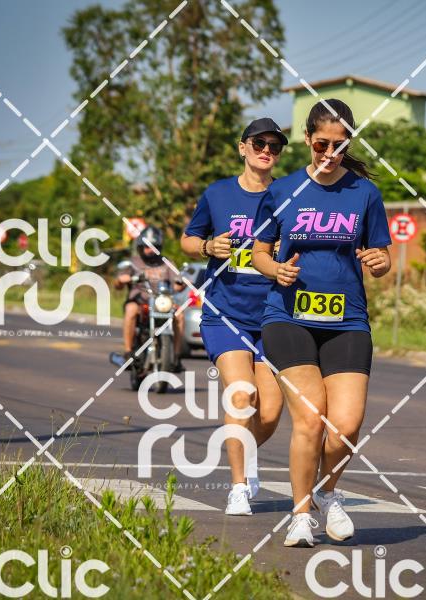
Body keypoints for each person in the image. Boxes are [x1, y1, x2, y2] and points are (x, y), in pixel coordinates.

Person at [251, 99, 392, 547]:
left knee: (346, 425)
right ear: (308, 139)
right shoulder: (282, 191)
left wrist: (380, 262)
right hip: (287, 317)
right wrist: (275, 270)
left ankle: (328, 493)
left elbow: (382, 255)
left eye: (339, 145)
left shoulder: (365, 194)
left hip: (347, 320)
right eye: (321, 144)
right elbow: (258, 253)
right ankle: (299, 516)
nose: (330, 153)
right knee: (311, 418)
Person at [180, 118, 288, 516]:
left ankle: (246, 455)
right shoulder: (218, 193)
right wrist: (208, 247)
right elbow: (188, 239)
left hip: (275, 314)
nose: (267, 150)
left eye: (274, 146)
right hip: (225, 313)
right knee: (243, 395)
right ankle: (238, 487)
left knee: (270, 412)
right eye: (259, 143)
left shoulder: (289, 195)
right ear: (243, 148)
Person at [114, 225, 184, 370]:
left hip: (162, 302)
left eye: (153, 246)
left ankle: (176, 356)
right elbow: (118, 284)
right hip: (140, 302)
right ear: (140, 247)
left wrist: (181, 284)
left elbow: (178, 284)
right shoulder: (133, 262)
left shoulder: (167, 263)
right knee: (130, 310)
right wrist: (121, 280)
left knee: (180, 315)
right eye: (146, 247)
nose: (150, 250)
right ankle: (128, 352)